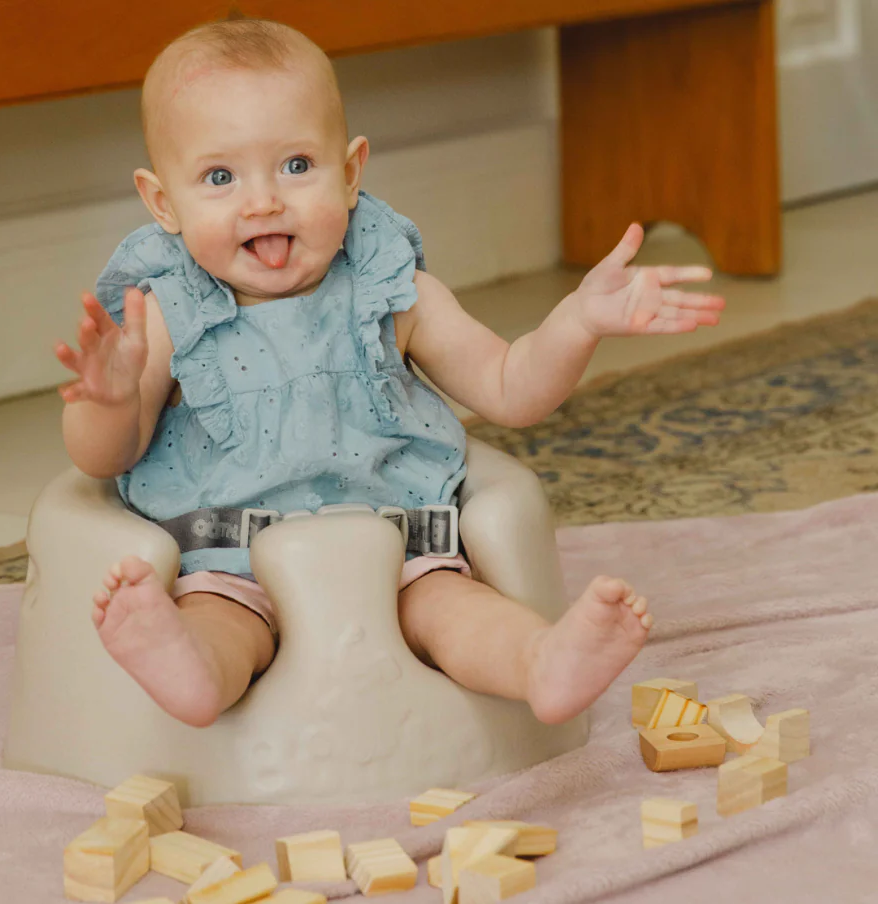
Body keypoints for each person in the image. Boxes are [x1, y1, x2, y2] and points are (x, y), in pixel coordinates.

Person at [54, 19, 724, 731]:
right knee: (220, 621)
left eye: (296, 165)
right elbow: (104, 459)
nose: (262, 202)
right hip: (230, 554)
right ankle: (189, 668)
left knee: (452, 608)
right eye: (220, 177)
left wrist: (577, 322)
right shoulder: (164, 314)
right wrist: (109, 399)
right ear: (163, 203)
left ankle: (540, 664)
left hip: (397, 543)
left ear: (350, 173)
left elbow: (510, 388)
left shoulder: (389, 290)